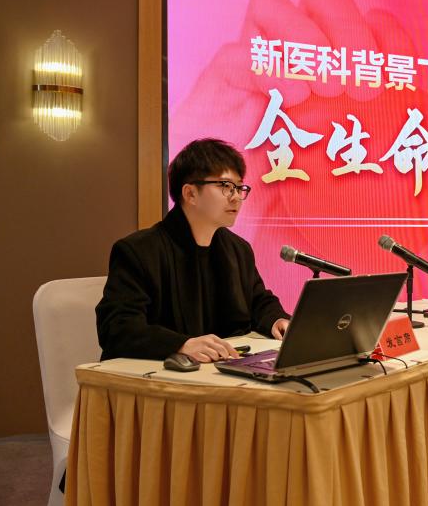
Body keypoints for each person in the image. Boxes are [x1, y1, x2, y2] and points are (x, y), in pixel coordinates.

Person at [96, 138, 290, 362]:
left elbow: (259, 301)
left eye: (239, 187)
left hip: (226, 368)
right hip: (163, 376)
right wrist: (181, 345)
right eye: (226, 186)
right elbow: (117, 327)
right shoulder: (138, 251)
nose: (236, 197)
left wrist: (277, 320)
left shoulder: (238, 250)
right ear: (190, 194)